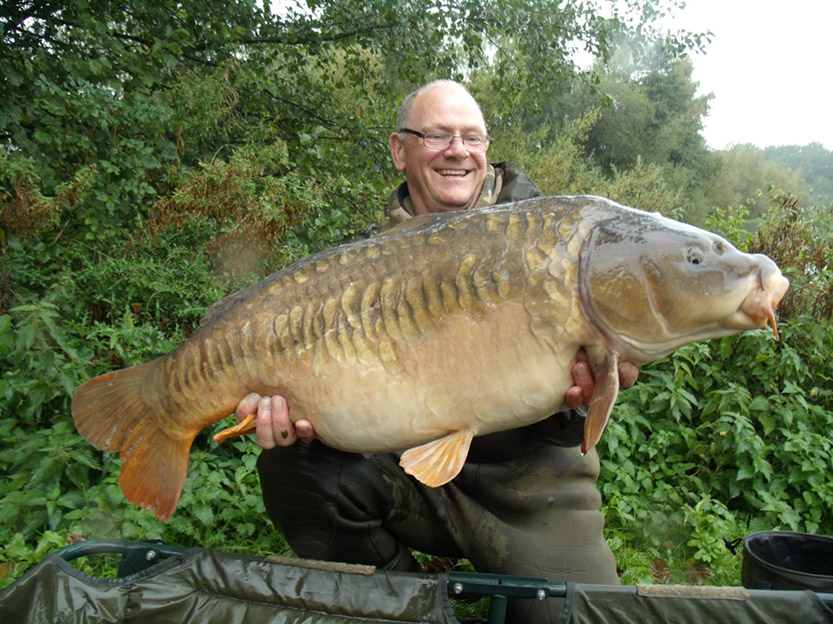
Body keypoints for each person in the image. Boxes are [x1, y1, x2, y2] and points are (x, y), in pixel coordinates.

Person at [235, 80, 638, 622]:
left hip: (529, 483)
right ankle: (406, 605)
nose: (457, 149)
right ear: (399, 149)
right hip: (407, 466)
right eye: (437, 135)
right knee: (293, 465)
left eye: (472, 137)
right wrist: (299, 408)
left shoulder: (553, 243)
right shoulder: (364, 266)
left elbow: (569, 432)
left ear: (487, 151)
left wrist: (584, 398)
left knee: (571, 616)